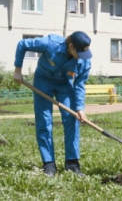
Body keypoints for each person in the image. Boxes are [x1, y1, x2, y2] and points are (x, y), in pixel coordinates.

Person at [13, 31, 92, 177]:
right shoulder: (50, 44)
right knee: (44, 120)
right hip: (43, 81)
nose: (82, 56)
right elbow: (22, 44)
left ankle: (72, 164)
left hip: (65, 85)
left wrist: (80, 108)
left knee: (72, 119)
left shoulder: (84, 60)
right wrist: (18, 70)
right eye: (79, 52)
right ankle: (49, 165)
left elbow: (80, 84)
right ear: (71, 46)